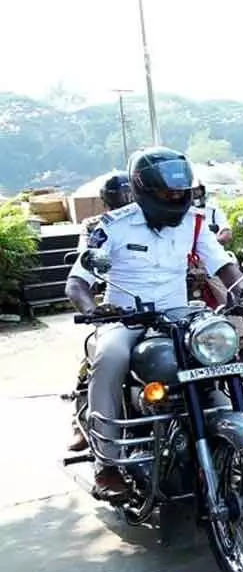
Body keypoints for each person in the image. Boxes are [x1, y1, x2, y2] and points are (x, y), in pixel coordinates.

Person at [64, 147, 243, 498]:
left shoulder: (195, 221)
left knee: (221, 348)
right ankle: (106, 465)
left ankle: (229, 436)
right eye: (168, 194)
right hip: (125, 317)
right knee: (110, 357)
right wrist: (93, 308)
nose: (176, 200)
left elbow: (222, 263)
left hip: (179, 314)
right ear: (144, 191)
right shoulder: (114, 226)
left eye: (181, 194)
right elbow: (77, 282)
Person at [67, 171, 134, 453]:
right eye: (121, 195)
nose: (127, 199)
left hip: (170, 308)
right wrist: (94, 308)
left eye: (130, 193)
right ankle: (88, 430)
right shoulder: (98, 226)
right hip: (117, 310)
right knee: (99, 359)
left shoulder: (168, 220)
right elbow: (87, 263)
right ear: (109, 200)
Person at [191, 178, 232, 246]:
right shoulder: (181, 213)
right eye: (191, 190)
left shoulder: (213, 211)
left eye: (197, 189)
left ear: (202, 190)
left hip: (211, 251)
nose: (195, 193)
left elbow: (226, 231)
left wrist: (212, 243)